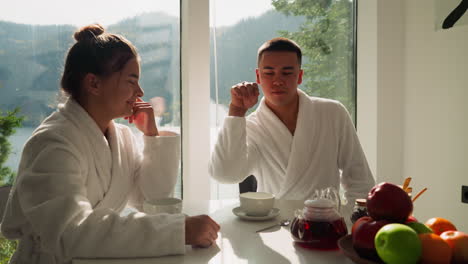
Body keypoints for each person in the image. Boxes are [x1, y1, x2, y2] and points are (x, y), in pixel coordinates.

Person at [1, 24, 219, 264]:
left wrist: (152, 135)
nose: (140, 91)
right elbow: (71, 231)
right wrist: (178, 231)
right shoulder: (53, 143)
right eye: (131, 81)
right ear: (93, 84)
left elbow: (152, 199)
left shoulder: (122, 138)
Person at [209, 37, 375, 213]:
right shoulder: (251, 127)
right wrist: (236, 112)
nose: (278, 81)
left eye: (287, 73)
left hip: (325, 225)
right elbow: (226, 174)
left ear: (300, 76)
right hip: (272, 225)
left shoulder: (333, 113)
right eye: (269, 73)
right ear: (258, 76)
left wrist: (348, 222)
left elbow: (360, 181)